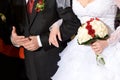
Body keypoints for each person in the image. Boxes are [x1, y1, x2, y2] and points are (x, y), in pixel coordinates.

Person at [49, 0, 120, 80]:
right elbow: (71, 18)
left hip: (108, 46)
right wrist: (57, 24)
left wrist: (108, 42)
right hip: (79, 48)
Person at [10, 0, 81, 80]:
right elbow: (14, 26)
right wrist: (14, 39)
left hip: (54, 64)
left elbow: (72, 23)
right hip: (30, 66)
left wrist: (40, 41)